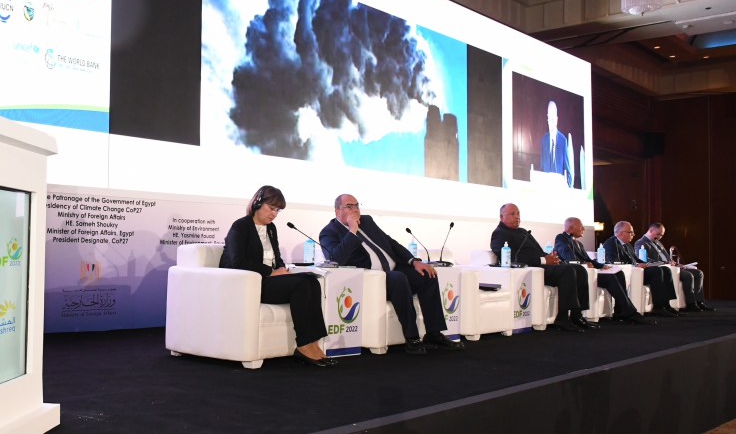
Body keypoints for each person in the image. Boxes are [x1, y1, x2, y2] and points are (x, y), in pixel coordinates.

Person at [319, 194, 460, 355]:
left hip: (394, 270)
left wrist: (414, 261)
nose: (355, 210)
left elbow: (390, 242)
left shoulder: (367, 221)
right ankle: (412, 338)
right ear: (337, 211)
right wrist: (352, 231)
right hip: (370, 279)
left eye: (357, 206)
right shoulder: (329, 232)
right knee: (398, 278)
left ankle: (434, 334)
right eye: (349, 207)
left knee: (427, 274)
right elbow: (336, 259)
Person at [220, 185, 336, 367]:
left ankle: (313, 344)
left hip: (269, 281)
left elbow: (276, 258)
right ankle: (304, 345)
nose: (274, 214)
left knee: (311, 281)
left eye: (278, 211)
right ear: (258, 203)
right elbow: (237, 262)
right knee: (301, 285)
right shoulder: (241, 226)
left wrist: (282, 269)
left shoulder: (271, 228)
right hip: (250, 284)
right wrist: (271, 272)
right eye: (271, 208)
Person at [490, 203, 593, 331]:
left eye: (518, 213)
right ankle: (562, 319)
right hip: (529, 269)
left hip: (542, 266)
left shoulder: (523, 232)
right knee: (567, 271)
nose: (517, 217)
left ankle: (577, 316)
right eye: (512, 214)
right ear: (502, 217)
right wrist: (543, 260)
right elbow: (510, 258)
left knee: (580, 270)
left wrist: (552, 258)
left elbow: (538, 251)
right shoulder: (499, 233)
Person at [554, 218, 654, 325]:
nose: (583, 229)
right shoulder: (562, 238)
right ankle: (630, 313)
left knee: (618, 273)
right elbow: (568, 256)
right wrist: (584, 263)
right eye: (580, 227)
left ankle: (620, 311)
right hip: (577, 273)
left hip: (589, 272)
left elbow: (589, 260)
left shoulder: (578, 243)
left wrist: (603, 266)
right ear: (570, 228)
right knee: (610, 278)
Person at [602, 221, 681, 317]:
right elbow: (612, 261)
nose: (633, 235)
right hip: (629, 273)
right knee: (657, 271)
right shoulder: (611, 243)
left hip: (637, 272)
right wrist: (635, 264)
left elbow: (636, 259)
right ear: (622, 233)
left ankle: (666, 305)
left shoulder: (627, 245)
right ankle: (658, 307)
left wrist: (645, 263)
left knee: (665, 270)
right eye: (630, 232)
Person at [634, 223, 713, 312]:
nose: (659, 237)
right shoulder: (641, 242)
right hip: (661, 268)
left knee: (698, 273)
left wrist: (676, 264)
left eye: (661, 235)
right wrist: (666, 263)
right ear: (651, 231)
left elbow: (667, 258)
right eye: (658, 234)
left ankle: (699, 302)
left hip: (670, 266)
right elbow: (643, 260)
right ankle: (691, 304)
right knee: (688, 276)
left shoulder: (658, 242)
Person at [539, 100, 573, 187]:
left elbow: (569, 175)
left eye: (553, 119)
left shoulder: (563, 141)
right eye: (549, 119)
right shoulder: (543, 140)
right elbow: (541, 170)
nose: (550, 122)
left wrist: (565, 188)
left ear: (557, 119)